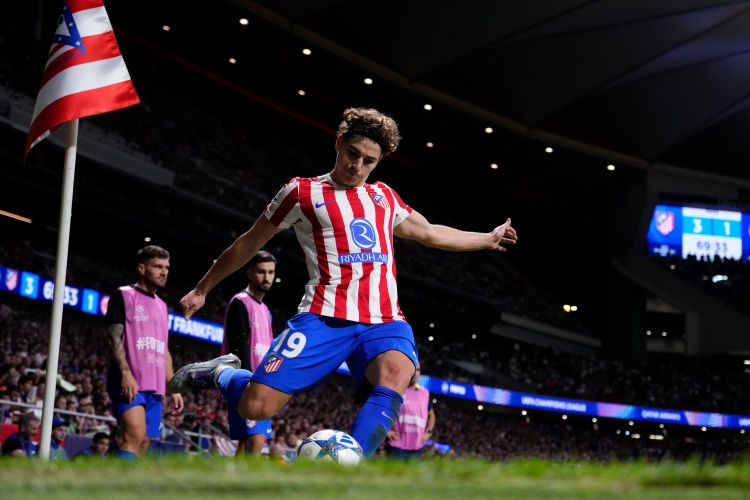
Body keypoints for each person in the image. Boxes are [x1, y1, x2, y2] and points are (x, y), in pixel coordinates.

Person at [168, 107, 517, 458]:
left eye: (369, 161)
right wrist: (202, 289)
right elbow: (248, 243)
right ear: (338, 143)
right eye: (353, 153)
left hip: (384, 320)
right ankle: (224, 373)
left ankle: (350, 464)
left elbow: (429, 233)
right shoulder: (301, 192)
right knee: (256, 407)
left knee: (397, 372)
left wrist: (487, 239)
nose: (357, 166)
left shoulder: (384, 197)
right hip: (324, 317)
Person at [105, 245, 184, 459]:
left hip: (155, 386)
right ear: (142, 268)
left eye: (166, 267)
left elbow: (164, 350)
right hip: (130, 381)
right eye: (158, 266)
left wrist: (173, 386)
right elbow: (113, 337)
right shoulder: (123, 295)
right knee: (134, 435)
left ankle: (124, 479)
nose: (164, 272)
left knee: (144, 441)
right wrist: (125, 373)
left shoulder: (163, 306)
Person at [221, 250, 277, 457]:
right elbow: (238, 347)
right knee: (254, 440)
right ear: (250, 273)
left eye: (271, 272)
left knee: (248, 442)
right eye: (261, 272)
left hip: (261, 385)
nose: (267, 277)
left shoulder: (266, 310)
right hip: (246, 383)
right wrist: (247, 383)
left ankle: (232, 477)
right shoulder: (240, 302)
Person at [385, 363, 435, 461]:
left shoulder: (424, 393)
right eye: (413, 369)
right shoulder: (396, 389)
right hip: (397, 445)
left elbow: (431, 415)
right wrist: (386, 431)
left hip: (417, 447)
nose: (415, 373)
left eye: (418, 370)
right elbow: (380, 410)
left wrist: (428, 432)